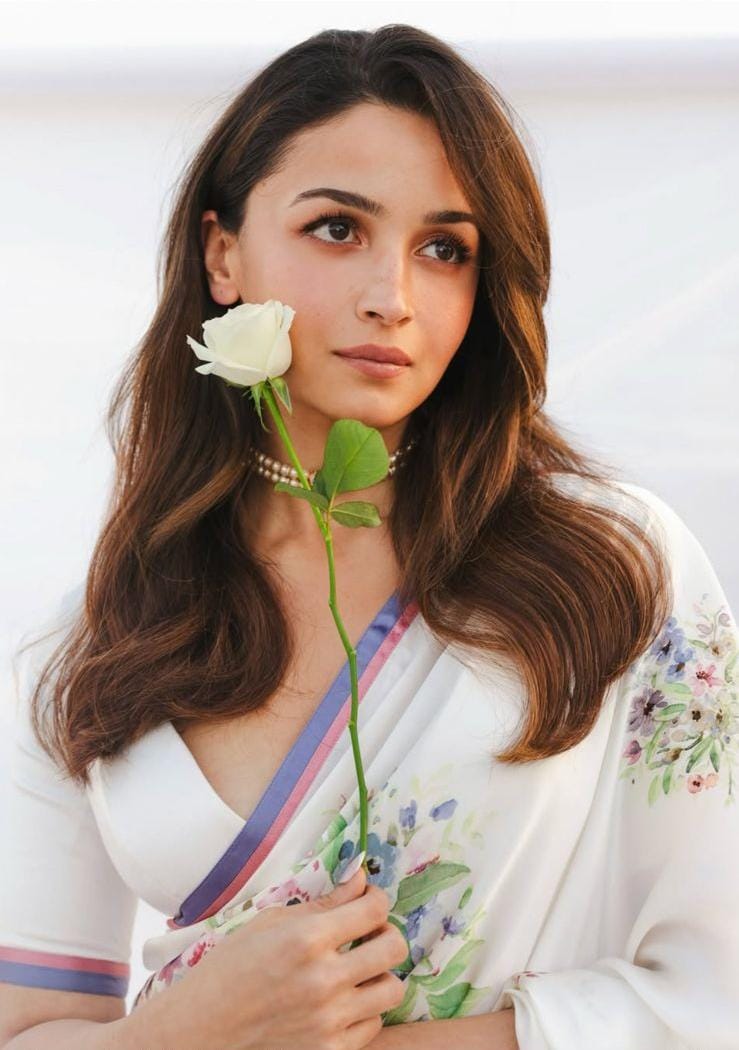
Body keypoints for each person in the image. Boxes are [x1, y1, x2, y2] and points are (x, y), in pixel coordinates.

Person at [1, 23, 737, 1050]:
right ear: (221, 252)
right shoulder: (95, 641)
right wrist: (186, 1031)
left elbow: (716, 991)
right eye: (337, 229)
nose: (391, 296)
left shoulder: (611, 571)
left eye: (445, 249)